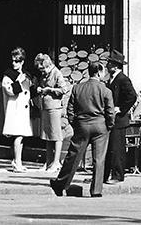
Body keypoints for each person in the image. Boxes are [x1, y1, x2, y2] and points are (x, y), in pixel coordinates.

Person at [49, 61, 114, 198]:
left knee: (73, 156)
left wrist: (75, 123)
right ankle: (96, 190)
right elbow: (110, 112)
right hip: (100, 125)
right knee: (99, 158)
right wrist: (108, 125)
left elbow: (70, 109)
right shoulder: (106, 90)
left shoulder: (78, 88)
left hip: (82, 125)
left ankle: (61, 183)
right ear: (99, 72)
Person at [32, 53, 70, 173]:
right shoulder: (45, 74)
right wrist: (38, 88)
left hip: (54, 107)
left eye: (42, 68)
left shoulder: (56, 73)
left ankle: (56, 162)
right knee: (47, 135)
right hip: (45, 106)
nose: (41, 71)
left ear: (47, 64)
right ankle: (48, 162)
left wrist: (50, 90)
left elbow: (64, 89)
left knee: (56, 135)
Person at [103, 50, 137, 183]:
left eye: (110, 63)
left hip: (119, 120)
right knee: (110, 148)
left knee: (117, 149)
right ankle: (105, 175)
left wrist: (121, 108)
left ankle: (118, 175)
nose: (107, 65)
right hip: (112, 119)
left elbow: (132, 96)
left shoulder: (123, 79)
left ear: (116, 66)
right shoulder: (112, 79)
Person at [2, 47, 33, 172]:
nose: (15, 63)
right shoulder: (8, 75)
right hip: (14, 108)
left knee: (21, 136)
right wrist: (19, 82)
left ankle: (17, 161)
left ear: (22, 61)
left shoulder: (26, 74)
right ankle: (17, 162)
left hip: (23, 109)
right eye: (13, 60)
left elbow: (30, 89)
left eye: (18, 61)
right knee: (18, 136)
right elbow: (9, 91)